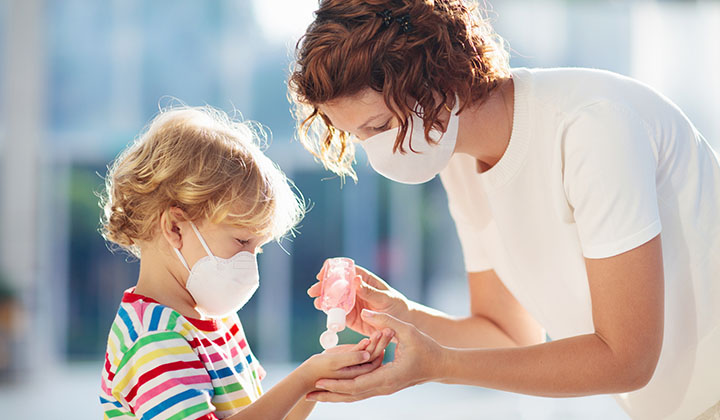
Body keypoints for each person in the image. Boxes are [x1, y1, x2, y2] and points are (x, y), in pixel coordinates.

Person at [287, 1, 720, 419]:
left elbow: (627, 359)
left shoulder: (591, 126)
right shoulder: (456, 158)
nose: (375, 152)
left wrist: (441, 367)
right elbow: (508, 336)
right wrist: (404, 316)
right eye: (358, 137)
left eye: (379, 126)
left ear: (435, 75)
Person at [97, 106, 394, 419]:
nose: (250, 263)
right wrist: (303, 377)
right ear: (174, 227)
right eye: (241, 242)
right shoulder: (153, 339)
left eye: (258, 248)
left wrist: (318, 380)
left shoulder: (219, 320)